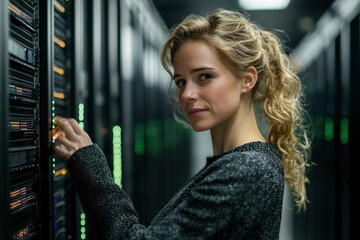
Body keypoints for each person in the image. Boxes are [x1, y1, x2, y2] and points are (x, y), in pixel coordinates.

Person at [53, 8, 312, 240]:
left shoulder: (247, 169)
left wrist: (87, 164)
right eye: (180, 81)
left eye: (205, 77)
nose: (187, 94)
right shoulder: (240, 162)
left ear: (247, 80)